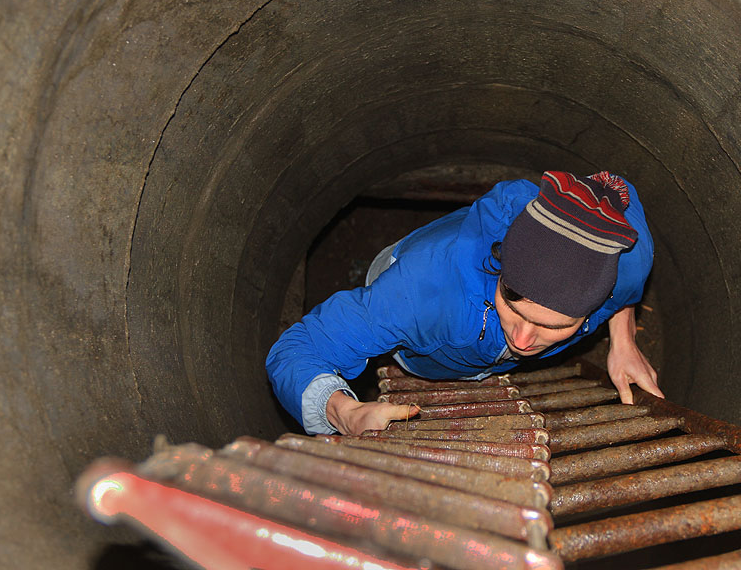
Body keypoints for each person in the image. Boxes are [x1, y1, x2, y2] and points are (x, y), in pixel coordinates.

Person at [266, 170, 662, 435]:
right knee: (379, 306)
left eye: (554, 326)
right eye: (514, 307)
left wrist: (623, 340)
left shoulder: (629, 259)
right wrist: (345, 414)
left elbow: (622, 289)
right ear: (502, 267)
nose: (523, 341)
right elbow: (295, 349)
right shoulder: (420, 294)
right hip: (416, 304)